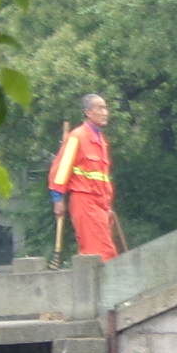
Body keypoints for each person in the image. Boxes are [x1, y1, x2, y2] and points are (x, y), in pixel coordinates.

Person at [49, 93, 119, 261]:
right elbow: (61, 170)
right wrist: (57, 199)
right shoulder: (77, 136)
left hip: (101, 204)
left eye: (105, 108)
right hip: (85, 201)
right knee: (98, 253)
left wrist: (107, 205)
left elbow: (101, 177)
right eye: (100, 108)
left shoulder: (101, 140)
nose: (105, 112)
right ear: (88, 112)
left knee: (104, 252)